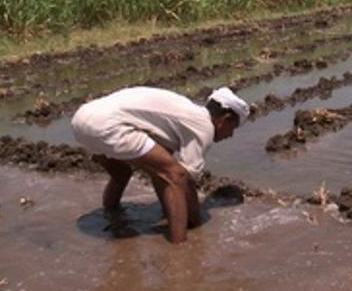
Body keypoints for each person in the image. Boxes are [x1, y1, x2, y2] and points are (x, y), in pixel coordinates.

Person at [71, 86, 249, 243]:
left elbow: (159, 173)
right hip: (107, 125)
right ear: (224, 120)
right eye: (232, 129)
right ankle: (179, 249)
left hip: (82, 119)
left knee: (121, 174)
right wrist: (196, 222)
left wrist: (168, 209)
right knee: (176, 174)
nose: (230, 135)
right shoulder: (204, 126)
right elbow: (182, 179)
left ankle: (111, 214)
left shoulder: (184, 114)